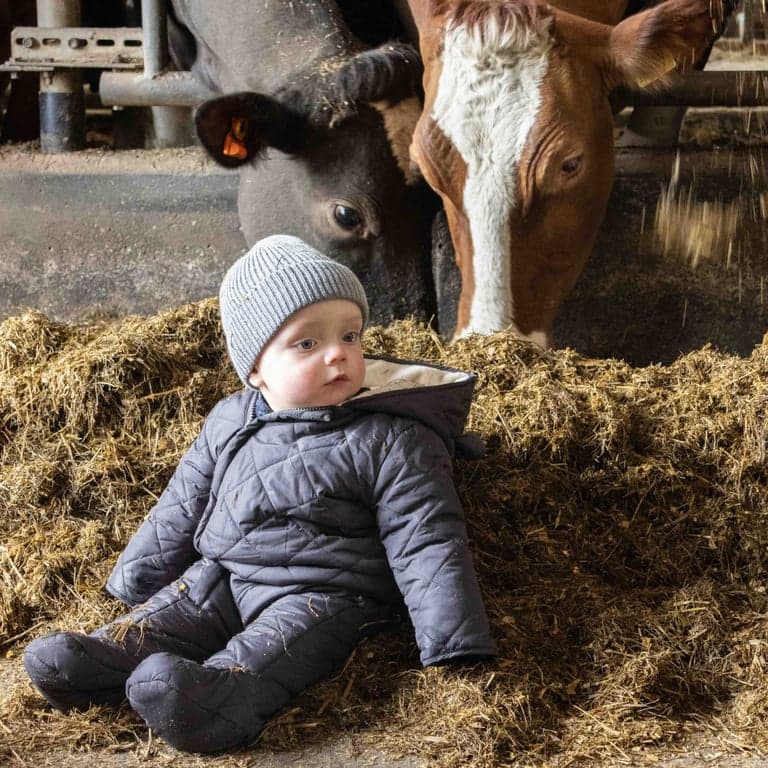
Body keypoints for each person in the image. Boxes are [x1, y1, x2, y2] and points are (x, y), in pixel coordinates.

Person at [24, 234, 497, 753]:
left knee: (271, 651)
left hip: (324, 592)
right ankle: (103, 663)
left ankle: (217, 701)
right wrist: (135, 581)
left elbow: (427, 538)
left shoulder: (394, 437)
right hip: (223, 572)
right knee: (167, 616)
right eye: (307, 344)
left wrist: (453, 642)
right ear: (254, 369)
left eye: (351, 336)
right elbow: (181, 503)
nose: (338, 353)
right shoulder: (231, 416)